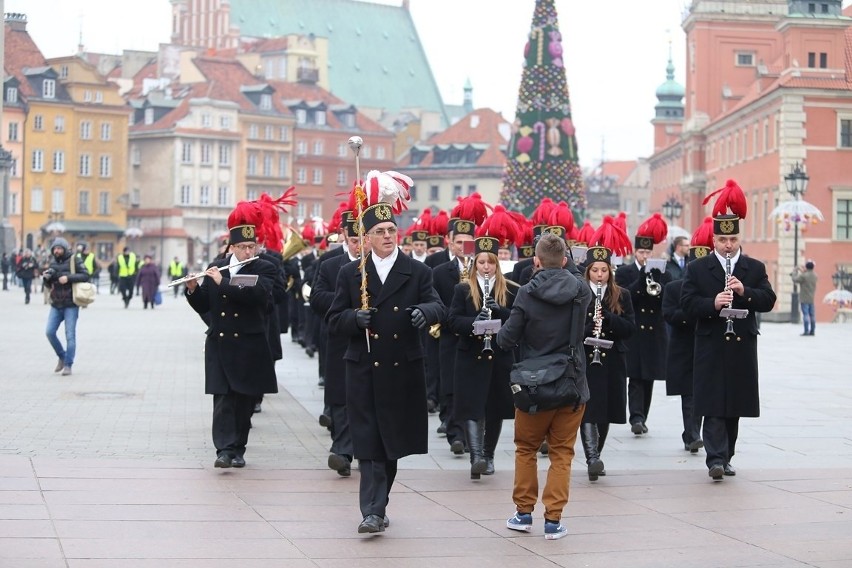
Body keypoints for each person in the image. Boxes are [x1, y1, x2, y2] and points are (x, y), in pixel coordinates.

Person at [327, 198, 445, 535]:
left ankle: (379, 504)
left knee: (390, 443)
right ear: (366, 238)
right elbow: (334, 318)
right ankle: (372, 511)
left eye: (392, 229)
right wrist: (353, 318)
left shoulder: (418, 271)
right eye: (380, 231)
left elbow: (439, 306)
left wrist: (426, 313)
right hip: (364, 367)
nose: (388, 235)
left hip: (401, 369)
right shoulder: (352, 274)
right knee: (368, 443)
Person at [496, 232, 592, 540]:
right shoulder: (580, 290)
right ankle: (553, 520)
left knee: (525, 449)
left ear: (535, 261)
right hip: (571, 381)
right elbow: (574, 270)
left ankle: (524, 514)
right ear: (565, 260)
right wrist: (566, 261)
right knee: (562, 452)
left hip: (534, 384)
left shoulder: (525, 292)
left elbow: (507, 338)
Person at [681, 179, 776, 481]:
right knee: (713, 403)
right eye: (723, 241)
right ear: (714, 241)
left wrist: (745, 290)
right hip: (711, 343)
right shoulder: (698, 269)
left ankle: (728, 455)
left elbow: (769, 300)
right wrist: (713, 303)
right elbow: (687, 303)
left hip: (740, 345)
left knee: (734, 404)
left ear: (738, 239)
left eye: (733, 240)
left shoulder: (754, 268)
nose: (728, 245)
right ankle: (715, 459)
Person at [184, 223, 279, 469]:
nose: (249, 251)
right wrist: (193, 290)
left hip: (250, 344)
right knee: (223, 399)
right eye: (243, 247)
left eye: (252, 246)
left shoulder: (265, 268)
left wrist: (222, 283)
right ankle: (224, 450)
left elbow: (256, 296)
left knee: (244, 401)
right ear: (232, 247)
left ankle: (238, 448)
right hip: (221, 343)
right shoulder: (217, 267)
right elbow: (205, 305)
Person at [446, 236, 517, 480]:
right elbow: (453, 320)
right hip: (470, 356)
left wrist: (501, 312)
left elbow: (518, 322)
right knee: (472, 406)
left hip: (499, 356)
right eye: (482, 263)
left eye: (491, 263)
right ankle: (476, 457)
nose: (486, 267)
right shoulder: (463, 289)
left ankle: (488, 455)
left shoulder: (509, 289)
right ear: (475, 264)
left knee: (494, 407)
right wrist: (474, 322)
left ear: (497, 265)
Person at [310, 212, 366, 477]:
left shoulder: (377, 264)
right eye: (353, 240)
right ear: (345, 236)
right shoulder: (330, 263)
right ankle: (342, 451)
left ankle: (357, 448)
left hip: (369, 341)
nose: (358, 245)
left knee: (362, 398)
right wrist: (349, 303)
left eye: (361, 240)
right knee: (341, 397)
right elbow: (318, 297)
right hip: (340, 339)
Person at [579, 245, 635, 481]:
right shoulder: (580, 294)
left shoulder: (621, 295)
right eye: (595, 270)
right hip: (586, 358)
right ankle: (592, 457)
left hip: (611, 359)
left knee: (606, 409)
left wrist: (609, 318)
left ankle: (597, 454)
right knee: (590, 409)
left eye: (604, 270)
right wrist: (590, 326)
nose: (600, 274)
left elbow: (630, 329)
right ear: (588, 272)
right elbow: (570, 329)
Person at [614, 214, 672, 435]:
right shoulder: (625, 272)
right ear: (635, 252)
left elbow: (666, 299)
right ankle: (636, 417)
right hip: (635, 332)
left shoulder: (661, 272)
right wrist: (641, 280)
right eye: (641, 252)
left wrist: (657, 281)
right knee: (635, 377)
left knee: (648, 378)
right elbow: (624, 297)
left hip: (654, 332)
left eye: (648, 253)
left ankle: (642, 416)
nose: (645, 256)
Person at [42, 237, 89, 376]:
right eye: (54, 249)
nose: (56, 251)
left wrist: (68, 278)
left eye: (59, 248)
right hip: (56, 303)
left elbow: (85, 275)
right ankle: (62, 356)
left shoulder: (75, 260)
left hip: (71, 304)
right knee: (49, 332)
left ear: (64, 248)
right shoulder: (53, 262)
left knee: (70, 335)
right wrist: (46, 279)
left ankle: (68, 364)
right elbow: (49, 285)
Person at [792, 261, 817, 336]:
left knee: (805, 314)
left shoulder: (804, 276)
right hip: (811, 298)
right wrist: (803, 271)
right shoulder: (815, 275)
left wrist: (794, 271)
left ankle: (806, 331)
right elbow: (807, 276)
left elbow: (795, 279)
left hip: (804, 298)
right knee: (812, 315)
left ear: (807, 267)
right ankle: (812, 331)